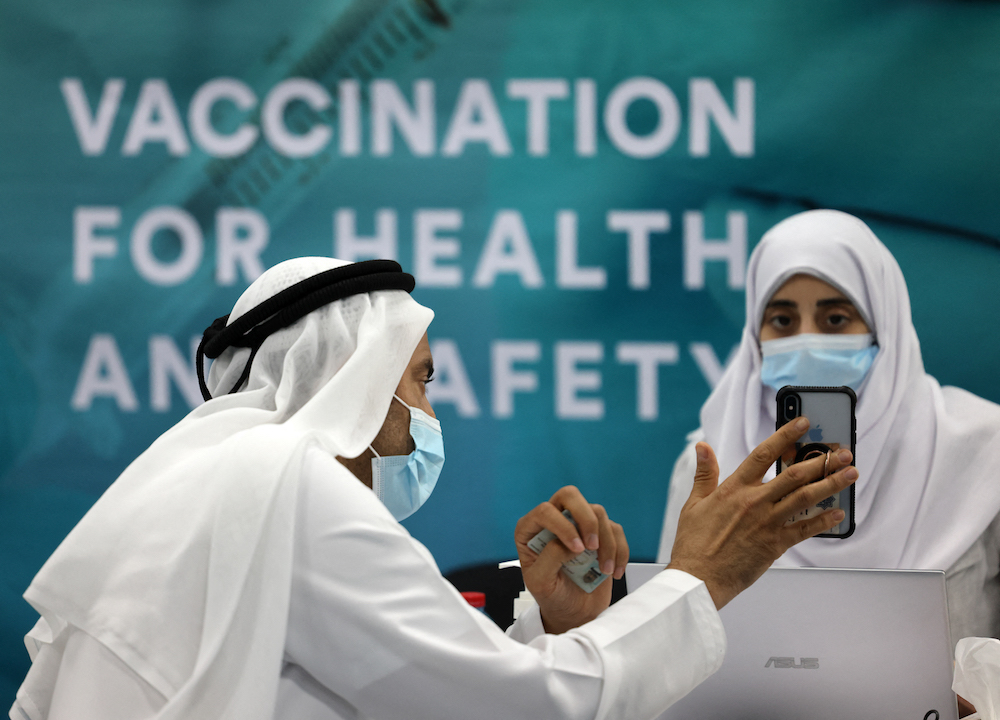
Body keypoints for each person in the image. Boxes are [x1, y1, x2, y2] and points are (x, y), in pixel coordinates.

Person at [10, 256, 856, 720]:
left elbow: (417, 696)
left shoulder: (222, 477)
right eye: (422, 379)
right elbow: (527, 713)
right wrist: (702, 577)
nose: (431, 408)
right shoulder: (291, 488)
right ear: (358, 382)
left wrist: (553, 624)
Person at [657, 209, 1000, 648]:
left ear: (884, 325)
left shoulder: (982, 454)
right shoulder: (710, 465)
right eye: (781, 321)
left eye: (835, 319)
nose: (807, 340)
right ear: (754, 336)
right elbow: (666, 645)